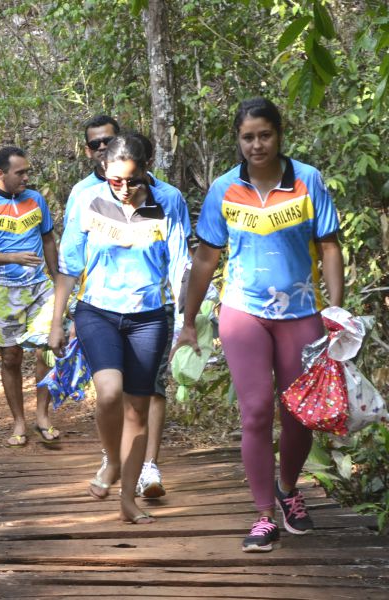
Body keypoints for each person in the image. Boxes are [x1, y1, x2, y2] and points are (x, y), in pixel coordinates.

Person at [172, 97, 344, 552]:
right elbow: (206, 257)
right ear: (238, 140)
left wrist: (337, 311)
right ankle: (263, 513)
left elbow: (328, 246)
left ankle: (289, 491)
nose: (256, 145)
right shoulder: (224, 188)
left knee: (297, 414)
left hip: (301, 312)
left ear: (279, 134)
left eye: (264, 135)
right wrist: (188, 321)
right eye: (247, 137)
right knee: (255, 412)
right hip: (242, 310)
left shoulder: (307, 180)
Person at [49, 135, 189, 523]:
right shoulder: (86, 199)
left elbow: (180, 264)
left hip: (149, 315)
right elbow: (69, 265)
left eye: (133, 180)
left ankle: (128, 499)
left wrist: (186, 323)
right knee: (109, 393)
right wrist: (57, 322)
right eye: (115, 181)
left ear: (147, 168)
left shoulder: (170, 201)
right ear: (104, 172)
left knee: (138, 411)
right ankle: (111, 459)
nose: (124, 189)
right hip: (98, 311)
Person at [0, 147, 60, 446]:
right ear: (0, 174)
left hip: (39, 287)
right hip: (2, 289)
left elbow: (48, 239)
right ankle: (18, 422)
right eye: (19, 172)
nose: (26, 177)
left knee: (46, 349)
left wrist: (57, 277)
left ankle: (42, 416)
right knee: (10, 356)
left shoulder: (36, 200)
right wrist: (13, 258)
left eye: (27, 172)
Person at [130, 132, 193, 499]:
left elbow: (180, 256)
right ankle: (122, 458)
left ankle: (150, 466)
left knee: (153, 386)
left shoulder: (169, 198)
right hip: (112, 308)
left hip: (158, 307)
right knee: (121, 390)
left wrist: (185, 313)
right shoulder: (95, 197)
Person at [63, 115, 121, 229]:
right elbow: (73, 238)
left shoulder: (145, 182)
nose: (102, 147)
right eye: (95, 144)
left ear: (121, 142)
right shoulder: (80, 192)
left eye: (108, 141)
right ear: (88, 151)